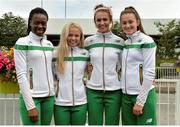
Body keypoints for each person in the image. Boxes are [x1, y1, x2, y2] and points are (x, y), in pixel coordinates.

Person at [84, 4, 124, 125]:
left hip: (114, 91)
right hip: (93, 90)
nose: (102, 23)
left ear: (110, 20)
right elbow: (84, 64)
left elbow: (125, 66)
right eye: (98, 20)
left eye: (105, 19)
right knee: (94, 123)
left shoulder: (120, 42)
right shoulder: (88, 41)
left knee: (112, 123)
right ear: (95, 22)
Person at [14, 7, 55, 125]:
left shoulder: (49, 44)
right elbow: (21, 74)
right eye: (37, 22)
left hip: (49, 98)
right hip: (32, 99)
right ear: (30, 22)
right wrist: (30, 106)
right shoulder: (22, 42)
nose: (40, 26)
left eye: (43, 23)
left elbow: (51, 70)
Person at [119, 6, 157, 125]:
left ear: (138, 22)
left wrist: (140, 101)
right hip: (125, 96)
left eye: (130, 22)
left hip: (142, 96)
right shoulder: (124, 44)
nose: (127, 25)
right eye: (124, 23)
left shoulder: (147, 41)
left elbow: (150, 72)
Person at [54, 22, 89, 125]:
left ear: (80, 37)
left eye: (76, 35)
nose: (73, 38)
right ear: (64, 35)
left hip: (80, 102)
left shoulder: (85, 54)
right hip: (60, 103)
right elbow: (51, 77)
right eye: (70, 35)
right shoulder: (55, 54)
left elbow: (89, 73)